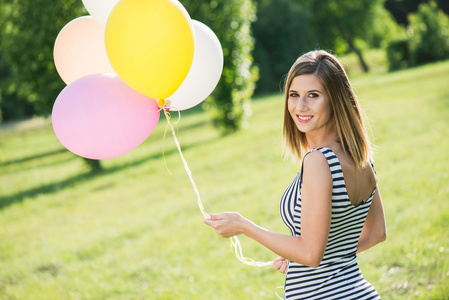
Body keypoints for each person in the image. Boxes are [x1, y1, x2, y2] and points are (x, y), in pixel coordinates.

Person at [204, 50, 387, 299]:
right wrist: (303, 256)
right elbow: (376, 233)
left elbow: (311, 254)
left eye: (313, 95)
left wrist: (243, 226)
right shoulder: (361, 157)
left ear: (335, 100)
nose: (300, 106)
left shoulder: (318, 161)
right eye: (294, 95)